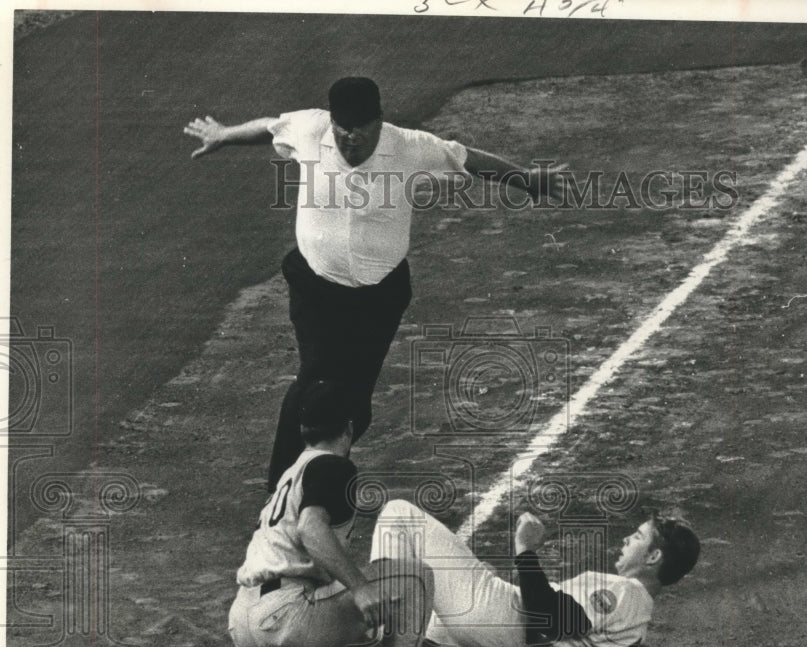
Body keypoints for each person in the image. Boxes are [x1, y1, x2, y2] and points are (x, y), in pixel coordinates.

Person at [184, 76, 570, 491]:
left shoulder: (406, 146)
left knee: (355, 407)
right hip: (317, 288)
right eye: (342, 128)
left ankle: (323, 479)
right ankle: (281, 493)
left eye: (360, 129)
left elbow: (467, 160)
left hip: (379, 297)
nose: (350, 138)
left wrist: (529, 180)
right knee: (315, 385)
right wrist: (224, 135)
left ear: (379, 122)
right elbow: (272, 126)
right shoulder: (312, 128)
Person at [147, 381, 441, 647]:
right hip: (286, 614)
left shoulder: (292, 472)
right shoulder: (333, 466)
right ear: (349, 427)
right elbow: (310, 529)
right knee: (416, 579)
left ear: (303, 430)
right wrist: (362, 589)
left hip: (245, 622)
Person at [369, 500, 701, 647]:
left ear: (654, 557)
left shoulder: (625, 594)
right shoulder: (637, 621)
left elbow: (546, 619)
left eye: (639, 537)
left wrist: (524, 548)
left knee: (399, 514)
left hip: (498, 623)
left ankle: (374, 627)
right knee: (434, 577)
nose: (628, 538)